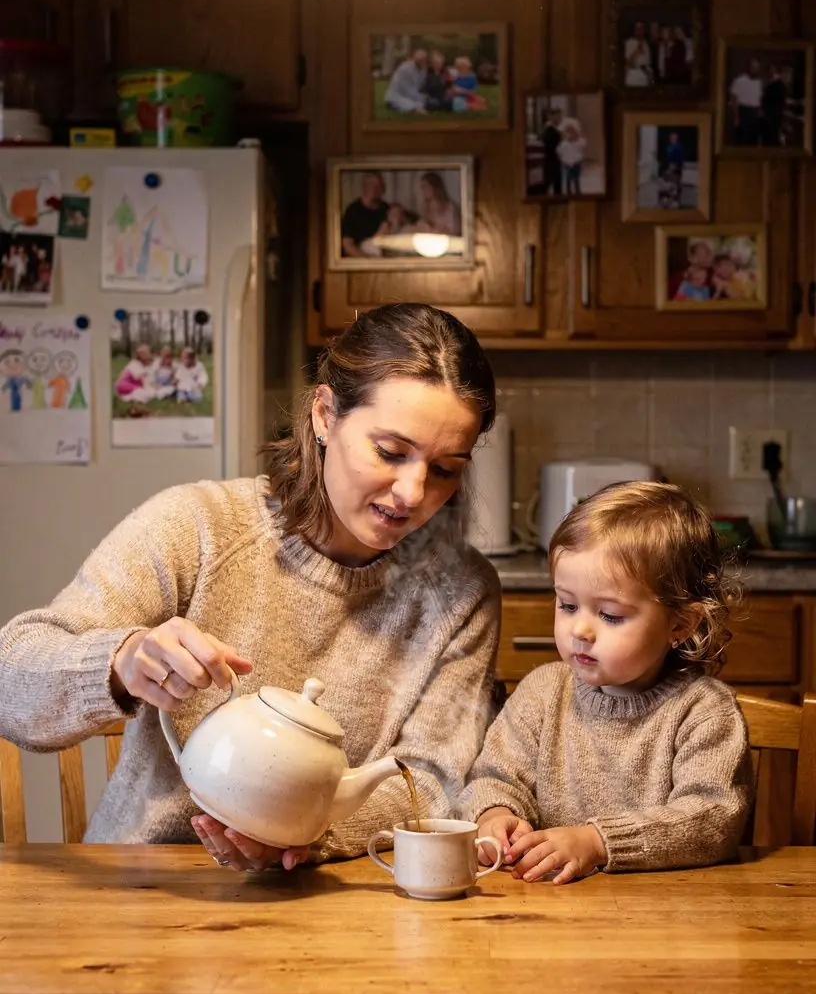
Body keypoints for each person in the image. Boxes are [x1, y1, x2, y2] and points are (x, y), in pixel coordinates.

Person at [0, 302, 501, 878]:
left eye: (445, 469)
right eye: (390, 452)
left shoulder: (462, 593)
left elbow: (433, 781)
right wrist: (120, 661)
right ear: (324, 414)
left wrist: (307, 831)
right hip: (145, 885)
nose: (413, 493)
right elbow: (12, 678)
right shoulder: (198, 528)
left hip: (330, 897)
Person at [462, 480, 752, 887]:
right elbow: (495, 778)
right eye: (567, 604)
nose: (580, 628)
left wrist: (598, 842)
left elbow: (713, 818)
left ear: (680, 625)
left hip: (665, 918)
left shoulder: (703, 712)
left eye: (611, 615)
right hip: (549, 918)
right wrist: (494, 815)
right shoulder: (544, 692)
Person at [340, 171, 390, 257]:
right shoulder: (353, 210)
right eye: (373, 186)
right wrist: (367, 261)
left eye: (380, 186)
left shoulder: (387, 209)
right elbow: (347, 245)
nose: (377, 190)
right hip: (360, 259)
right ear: (365, 187)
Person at [415, 171, 462, 236]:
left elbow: (456, 232)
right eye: (421, 187)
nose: (422, 190)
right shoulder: (426, 207)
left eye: (424, 186)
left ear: (434, 187)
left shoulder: (451, 207)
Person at [729, 57, 763, 146]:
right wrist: (736, 117)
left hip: (755, 113)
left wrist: (759, 113)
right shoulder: (739, 81)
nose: (754, 70)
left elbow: (759, 99)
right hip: (743, 112)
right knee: (743, 140)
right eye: (753, 67)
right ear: (748, 67)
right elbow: (733, 100)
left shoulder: (759, 82)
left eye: (757, 68)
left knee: (753, 140)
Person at [383, 48, 428, 113]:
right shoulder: (405, 69)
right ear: (414, 58)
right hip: (398, 95)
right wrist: (420, 98)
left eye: (423, 60)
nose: (421, 61)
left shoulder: (423, 69)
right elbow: (406, 89)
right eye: (419, 59)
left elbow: (420, 85)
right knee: (414, 104)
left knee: (421, 103)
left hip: (411, 95)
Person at [557, 118, 587, 197]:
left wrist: (576, 138)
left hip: (576, 162)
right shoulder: (564, 143)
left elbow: (583, 145)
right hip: (567, 163)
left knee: (576, 178)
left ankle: (578, 192)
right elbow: (559, 151)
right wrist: (563, 159)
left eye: (572, 131)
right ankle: (568, 192)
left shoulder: (579, 141)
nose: (570, 133)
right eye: (568, 131)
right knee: (568, 179)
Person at [760, 62, 788, 147]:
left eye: (770, 71)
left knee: (774, 137)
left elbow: (781, 101)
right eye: (767, 71)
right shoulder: (767, 84)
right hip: (767, 115)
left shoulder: (779, 85)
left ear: (774, 71)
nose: (768, 73)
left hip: (775, 115)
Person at [623, 20, 653, 87]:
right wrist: (636, 51)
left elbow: (648, 62)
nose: (639, 30)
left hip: (645, 75)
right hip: (633, 74)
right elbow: (628, 62)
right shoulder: (629, 43)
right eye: (637, 28)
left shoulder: (646, 44)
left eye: (641, 28)